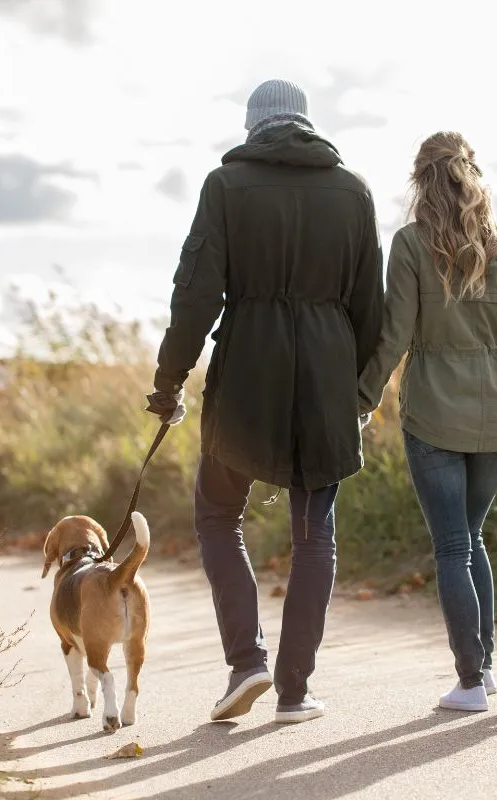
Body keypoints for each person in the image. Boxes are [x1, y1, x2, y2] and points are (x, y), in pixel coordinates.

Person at [146, 78, 384, 725]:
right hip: (326, 379)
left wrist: (169, 381)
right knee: (314, 535)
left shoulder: (226, 186)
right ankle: (294, 691)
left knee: (218, 515)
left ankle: (245, 662)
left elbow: (196, 294)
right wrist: (355, 391)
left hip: (247, 371)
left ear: (253, 126)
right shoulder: (354, 191)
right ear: (306, 123)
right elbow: (372, 308)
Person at [358, 131, 497, 713]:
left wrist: (362, 398)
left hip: (434, 412)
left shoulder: (411, 244)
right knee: (471, 538)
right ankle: (486, 668)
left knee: (454, 545)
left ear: (421, 180)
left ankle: (471, 681)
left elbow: (395, 335)